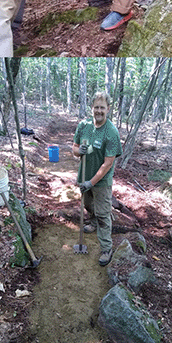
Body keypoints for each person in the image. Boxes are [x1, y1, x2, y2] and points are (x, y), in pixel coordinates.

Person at [71, 91, 122, 266]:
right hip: (84, 176)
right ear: (91, 108)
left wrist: (90, 183)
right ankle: (91, 222)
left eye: (102, 108)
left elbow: (108, 163)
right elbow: (75, 148)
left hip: (101, 182)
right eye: (96, 107)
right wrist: (79, 152)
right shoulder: (83, 125)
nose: (99, 111)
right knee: (87, 204)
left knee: (103, 214)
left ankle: (107, 249)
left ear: (108, 109)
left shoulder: (111, 132)